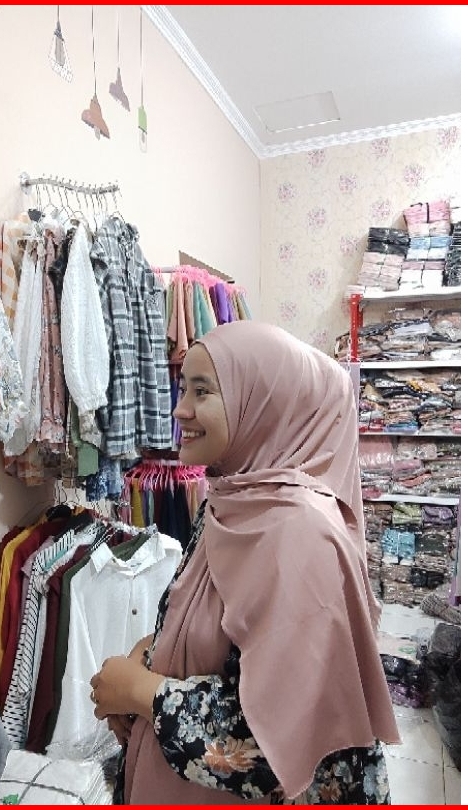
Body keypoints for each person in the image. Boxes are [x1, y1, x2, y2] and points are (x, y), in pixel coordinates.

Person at [89, 320, 400, 804]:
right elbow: (215, 632)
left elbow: (278, 742)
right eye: (183, 388)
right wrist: (145, 658)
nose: (180, 409)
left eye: (202, 391)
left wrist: (140, 692)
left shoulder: (300, 535)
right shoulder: (234, 500)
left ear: (266, 405)